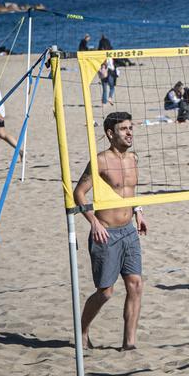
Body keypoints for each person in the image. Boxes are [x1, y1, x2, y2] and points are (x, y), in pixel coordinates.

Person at [74, 112, 148, 352]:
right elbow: (79, 193)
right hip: (106, 233)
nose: (129, 133)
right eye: (124, 129)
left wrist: (138, 211)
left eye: (131, 128)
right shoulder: (101, 161)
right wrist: (93, 221)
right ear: (110, 133)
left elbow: (129, 191)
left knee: (136, 285)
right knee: (105, 293)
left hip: (129, 231)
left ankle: (129, 343)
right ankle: (82, 329)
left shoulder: (133, 158)